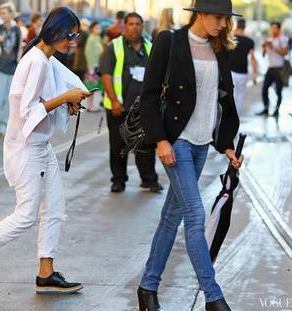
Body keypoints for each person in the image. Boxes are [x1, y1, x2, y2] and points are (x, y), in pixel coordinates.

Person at [0, 7, 91, 299]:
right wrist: (65, 98)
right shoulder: (37, 61)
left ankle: (46, 273)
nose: (73, 41)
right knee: (26, 215)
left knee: (54, 208)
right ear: (56, 30)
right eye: (71, 34)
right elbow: (27, 112)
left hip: (41, 146)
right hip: (27, 148)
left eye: (76, 36)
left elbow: (42, 101)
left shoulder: (46, 59)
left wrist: (67, 103)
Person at [137, 1, 243, 310]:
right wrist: (160, 140)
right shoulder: (170, 41)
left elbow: (221, 100)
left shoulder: (220, 48)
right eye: (218, 17)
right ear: (200, 14)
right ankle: (213, 296)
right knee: (195, 216)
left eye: (226, 19)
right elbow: (149, 95)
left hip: (201, 145)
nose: (223, 24)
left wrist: (225, 144)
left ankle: (148, 288)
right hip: (177, 141)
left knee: (172, 216)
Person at [100, 12, 163, 193]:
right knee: (118, 146)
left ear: (143, 27)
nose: (134, 27)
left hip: (144, 108)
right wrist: (114, 101)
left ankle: (148, 179)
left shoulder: (151, 48)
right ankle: (118, 180)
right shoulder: (114, 47)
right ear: (124, 26)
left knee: (145, 146)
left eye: (138, 24)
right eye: (131, 24)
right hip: (119, 108)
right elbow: (106, 75)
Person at [0, 2, 22, 136]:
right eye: (1, 13)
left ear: (11, 14)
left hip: (12, 67)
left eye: (4, 13)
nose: (2, 15)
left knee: (9, 99)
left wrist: (19, 66)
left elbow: (18, 49)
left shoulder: (17, 29)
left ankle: (4, 125)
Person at [257, 21, 289, 117]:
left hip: (279, 69)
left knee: (278, 91)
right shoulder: (269, 39)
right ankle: (266, 108)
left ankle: (276, 110)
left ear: (279, 29)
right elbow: (263, 55)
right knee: (264, 89)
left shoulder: (282, 39)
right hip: (270, 68)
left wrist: (273, 47)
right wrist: (264, 47)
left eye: (275, 28)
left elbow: (285, 52)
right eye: (272, 28)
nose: (273, 30)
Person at [229, 18, 258, 114]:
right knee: (240, 96)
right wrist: (254, 75)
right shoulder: (249, 41)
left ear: (236, 26)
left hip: (230, 72)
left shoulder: (230, 38)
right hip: (243, 73)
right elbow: (252, 58)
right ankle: (236, 119)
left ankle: (228, 118)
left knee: (229, 96)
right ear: (245, 27)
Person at [84, 21, 103, 111]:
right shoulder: (91, 39)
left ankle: (93, 105)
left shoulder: (98, 38)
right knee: (91, 86)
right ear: (92, 29)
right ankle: (90, 106)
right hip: (92, 66)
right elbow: (88, 53)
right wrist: (90, 68)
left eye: (100, 28)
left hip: (98, 65)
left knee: (95, 86)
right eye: (97, 28)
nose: (99, 30)